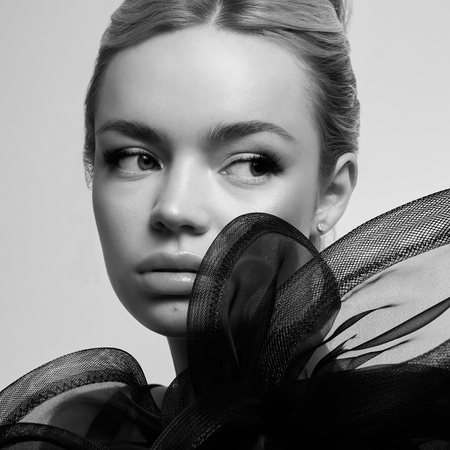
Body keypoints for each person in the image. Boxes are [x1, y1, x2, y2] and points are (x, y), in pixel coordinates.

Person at [0, 1, 449, 449]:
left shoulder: (407, 433)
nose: (175, 208)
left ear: (330, 192)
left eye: (251, 164)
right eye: (136, 158)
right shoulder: (84, 434)